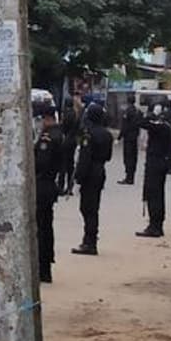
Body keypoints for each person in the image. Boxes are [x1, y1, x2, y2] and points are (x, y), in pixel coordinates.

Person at [71, 104, 113, 256]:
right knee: (93, 207)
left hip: (90, 173)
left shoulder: (88, 134)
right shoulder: (107, 134)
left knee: (87, 208)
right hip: (100, 170)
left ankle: (90, 241)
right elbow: (108, 156)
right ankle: (91, 238)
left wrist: (78, 177)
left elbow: (84, 158)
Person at [34, 104, 63, 283]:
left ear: (46, 118)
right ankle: (45, 266)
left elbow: (41, 163)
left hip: (42, 185)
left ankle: (42, 268)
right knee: (46, 227)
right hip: (50, 185)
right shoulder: (59, 134)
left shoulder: (48, 137)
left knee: (41, 228)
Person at [136, 104, 171, 238]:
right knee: (158, 195)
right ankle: (157, 225)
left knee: (153, 195)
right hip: (162, 162)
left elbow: (142, 123)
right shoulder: (168, 127)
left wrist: (150, 115)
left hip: (155, 163)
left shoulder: (160, 127)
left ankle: (154, 226)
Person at [118, 95, 142, 185]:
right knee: (133, 157)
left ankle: (128, 178)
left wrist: (119, 137)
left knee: (128, 158)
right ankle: (131, 177)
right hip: (135, 137)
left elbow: (125, 126)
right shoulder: (138, 111)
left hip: (128, 138)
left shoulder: (128, 111)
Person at [58, 97, 79, 195]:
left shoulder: (66, 115)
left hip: (66, 140)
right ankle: (70, 187)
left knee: (63, 165)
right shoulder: (75, 114)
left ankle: (61, 187)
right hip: (73, 141)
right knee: (70, 165)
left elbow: (63, 128)